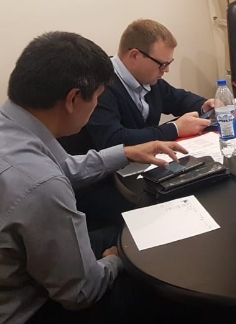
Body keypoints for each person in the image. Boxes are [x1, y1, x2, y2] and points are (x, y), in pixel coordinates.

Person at [0, 31, 189, 323]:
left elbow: (66, 167)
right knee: (155, 270)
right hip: (31, 309)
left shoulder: (13, 126)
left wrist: (126, 152)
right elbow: (81, 293)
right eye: (98, 98)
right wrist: (115, 260)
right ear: (74, 99)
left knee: (125, 230)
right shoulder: (42, 186)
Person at [60, 19, 214, 154]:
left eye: (169, 63)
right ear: (135, 55)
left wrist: (204, 106)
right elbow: (113, 140)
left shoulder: (149, 79)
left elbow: (178, 99)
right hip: (105, 174)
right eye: (162, 64)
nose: (166, 70)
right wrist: (175, 129)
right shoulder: (100, 85)